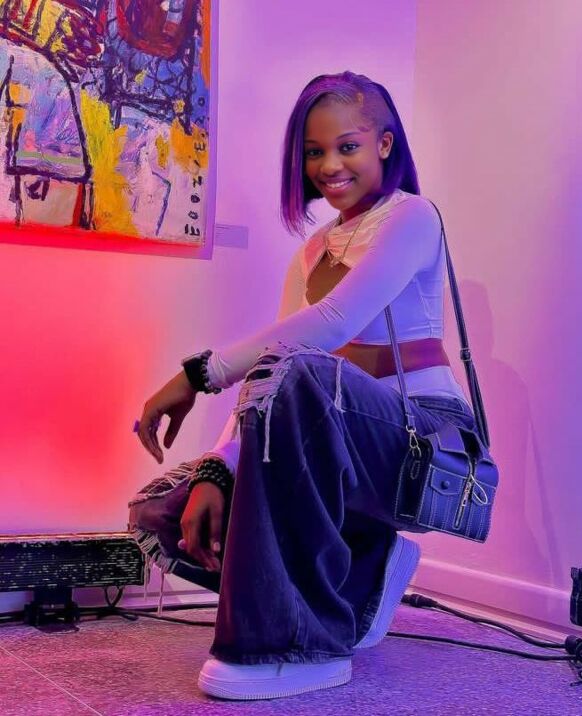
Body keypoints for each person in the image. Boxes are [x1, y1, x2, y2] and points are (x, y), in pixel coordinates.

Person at [130, 71, 476, 701]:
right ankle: (361, 573)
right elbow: (274, 376)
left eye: (348, 146)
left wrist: (198, 375)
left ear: (385, 145)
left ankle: (300, 642)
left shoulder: (414, 217)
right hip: (334, 429)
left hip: (421, 432)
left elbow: (332, 323)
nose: (329, 166)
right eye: (314, 151)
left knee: (305, 371)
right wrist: (216, 468)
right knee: (162, 512)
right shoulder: (312, 250)